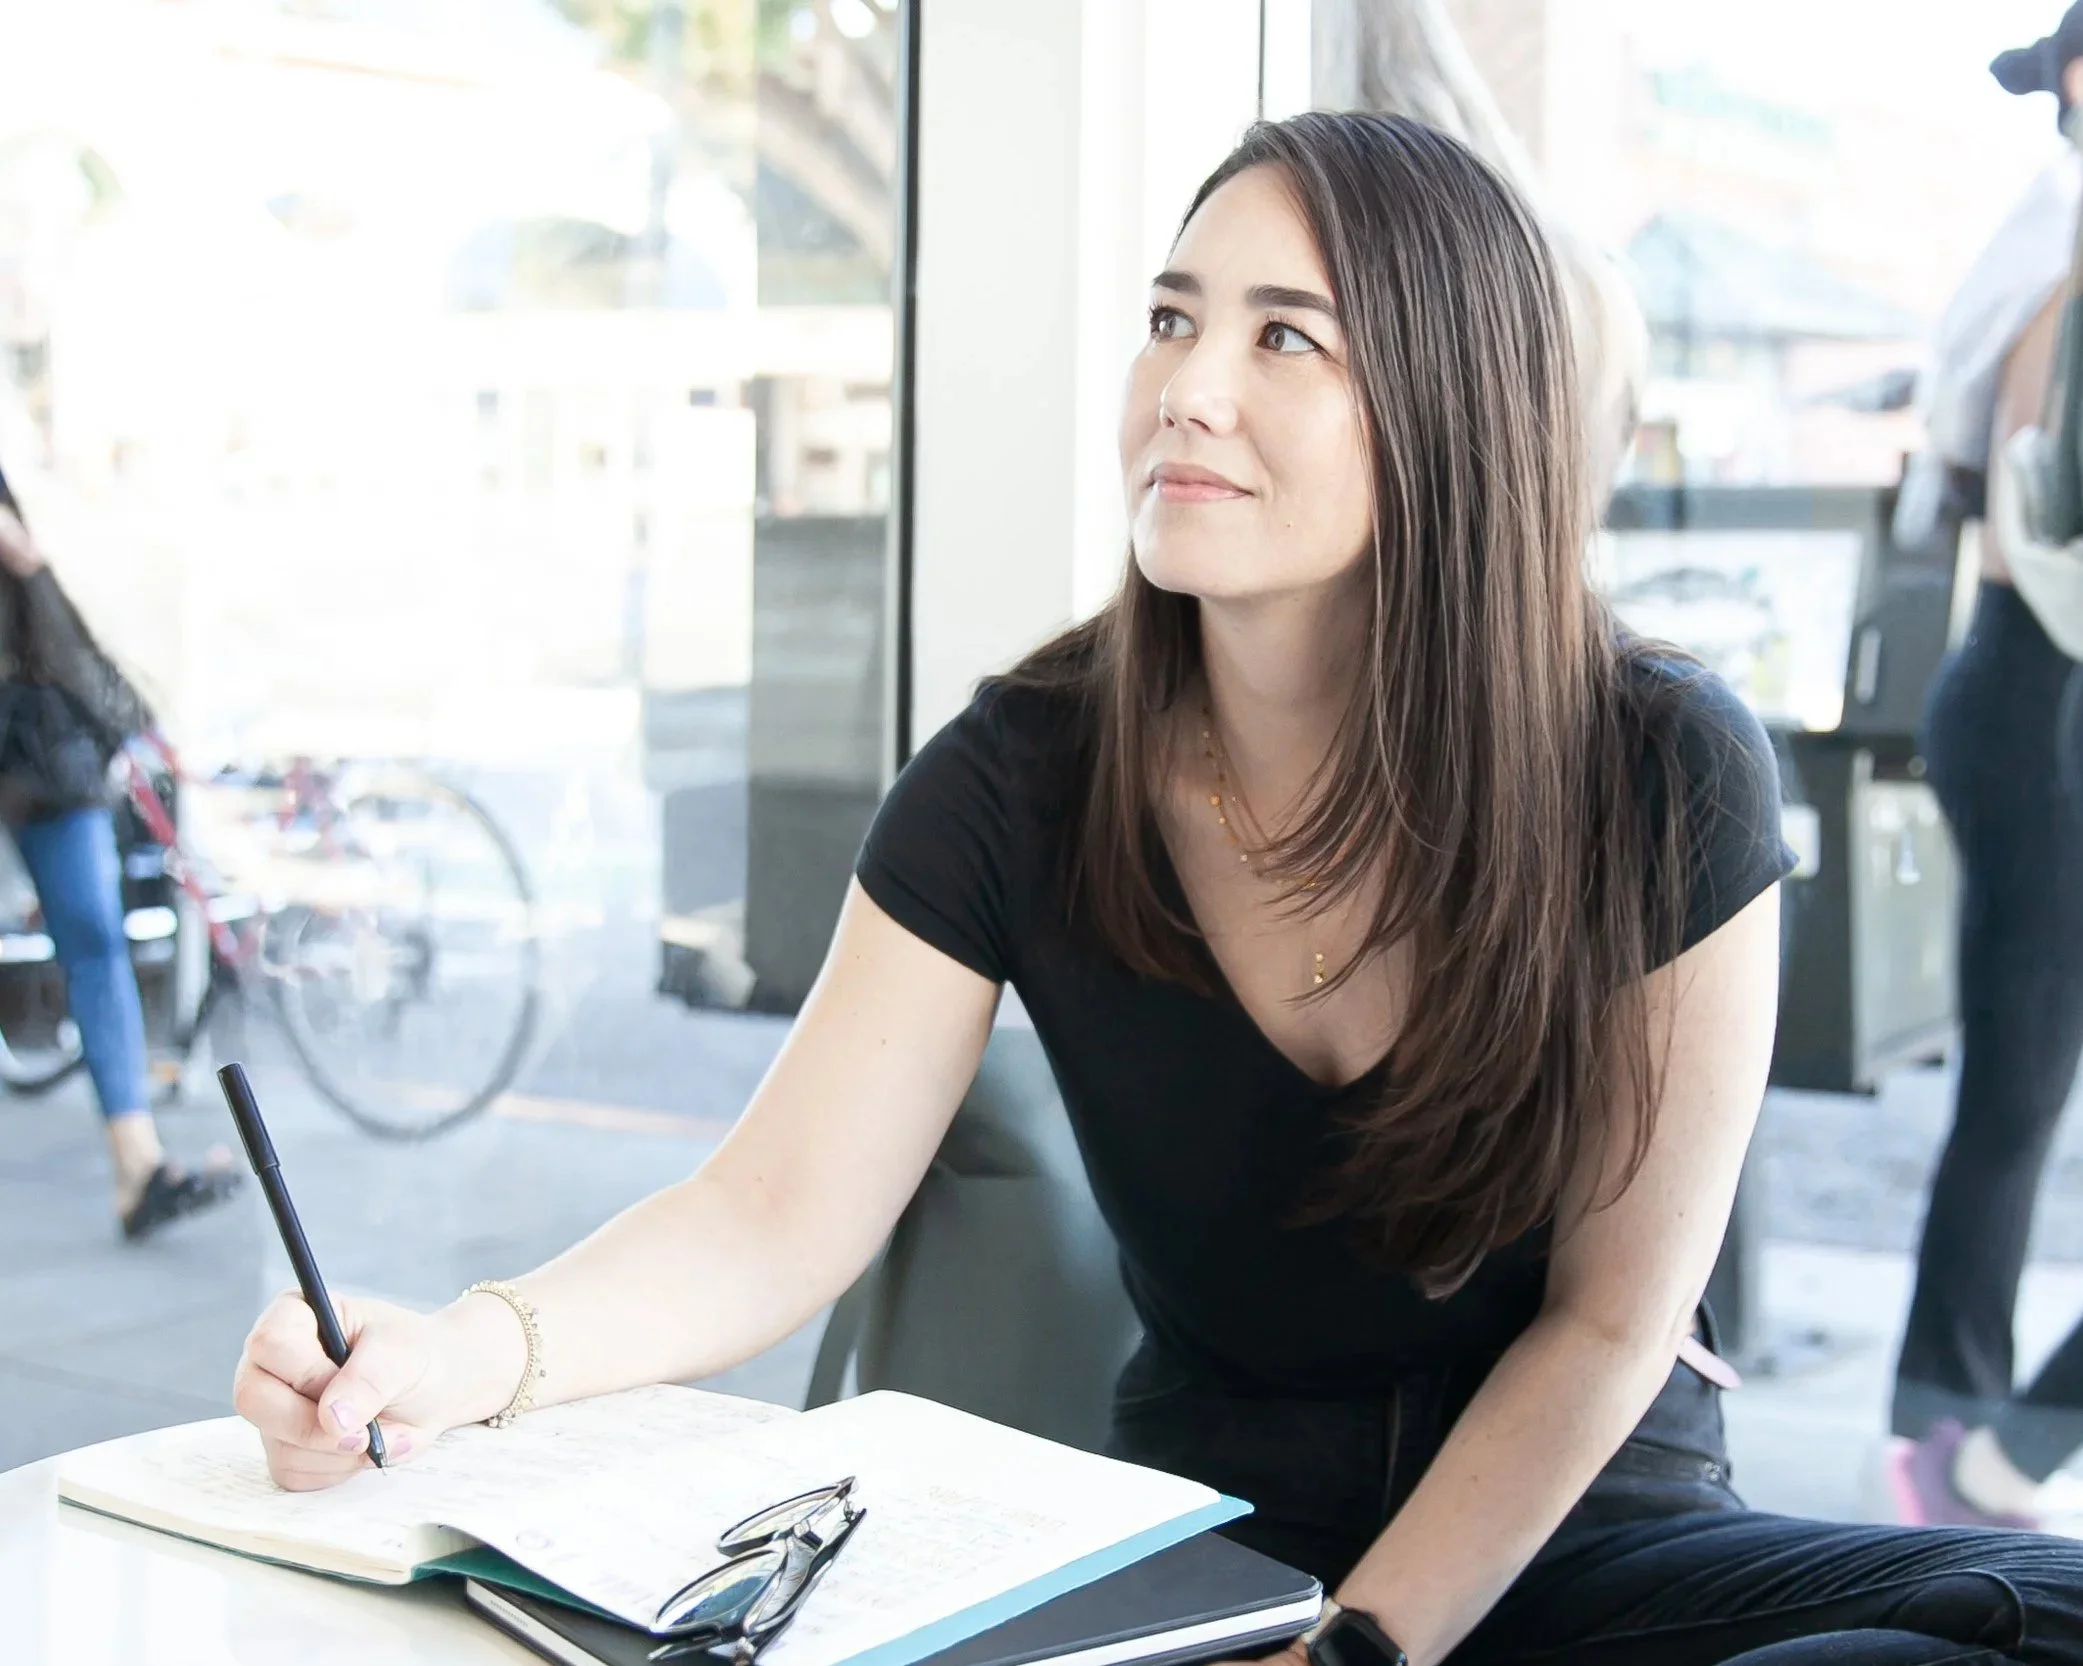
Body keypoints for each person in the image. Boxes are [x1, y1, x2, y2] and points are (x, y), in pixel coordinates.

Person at [233, 114, 2083, 1664]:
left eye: (1285, 338)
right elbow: (770, 1210)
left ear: (1449, 406)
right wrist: (458, 1353)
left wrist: (1354, 1653)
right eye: (1170, 318)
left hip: (1581, 1537)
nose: (1185, 390)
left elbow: (1608, 1326)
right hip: (1204, 1543)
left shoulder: (1657, 764)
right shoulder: (1021, 768)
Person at [1887, 12, 2083, 1530]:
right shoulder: (2060, 270)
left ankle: (1970, 1437)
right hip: (2039, 697)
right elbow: (2043, 518)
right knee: (2012, 1088)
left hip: (2031, 691)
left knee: (2012, 1092)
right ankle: (1959, 1438)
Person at [0, 464, 239, 1239]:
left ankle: (138, 1164)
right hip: (36, 746)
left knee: (97, 941)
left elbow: (38, 581)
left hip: (34, 744)